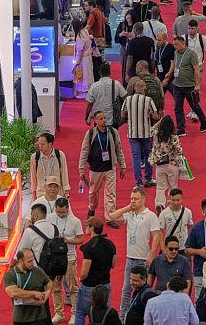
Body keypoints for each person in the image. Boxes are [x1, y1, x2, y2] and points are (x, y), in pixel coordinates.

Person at [108, 187, 162, 315]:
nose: (133, 201)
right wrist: (128, 207)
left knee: (144, 289)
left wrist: (152, 255)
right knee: (126, 288)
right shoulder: (130, 214)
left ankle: (144, 314)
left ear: (143, 199)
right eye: (131, 198)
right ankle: (123, 316)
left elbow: (156, 235)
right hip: (130, 257)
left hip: (143, 259)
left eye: (136, 199)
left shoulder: (150, 216)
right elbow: (112, 216)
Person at [79, 112, 127, 227]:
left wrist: (123, 165)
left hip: (110, 168)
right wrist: (81, 168)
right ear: (95, 121)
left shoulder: (113, 132)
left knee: (111, 193)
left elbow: (118, 149)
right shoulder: (90, 134)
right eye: (101, 119)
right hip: (95, 169)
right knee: (93, 192)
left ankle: (110, 217)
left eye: (104, 118)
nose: (104, 120)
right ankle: (92, 208)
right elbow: (84, 151)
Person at [76, 218, 117, 325]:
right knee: (104, 315)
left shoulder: (89, 247)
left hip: (89, 286)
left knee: (80, 313)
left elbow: (84, 273)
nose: (85, 228)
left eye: (87, 226)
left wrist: (80, 279)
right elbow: (113, 264)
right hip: (105, 285)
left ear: (92, 228)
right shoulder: (110, 244)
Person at [121, 79, 159, 188]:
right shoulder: (148, 100)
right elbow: (155, 116)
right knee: (148, 156)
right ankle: (148, 178)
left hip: (133, 133)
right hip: (146, 133)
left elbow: (122, 115)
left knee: (136, 158)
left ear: (134, 88)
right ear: (145, 88)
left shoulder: (128, 99)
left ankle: (138, 183)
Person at [170, 35, 206, 135]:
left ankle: (203, 120)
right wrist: (168, 74)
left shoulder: (191, 54)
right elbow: (175, 65)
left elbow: (196, 69)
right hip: (177, 85)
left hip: (189, 85)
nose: (175, 46)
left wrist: (197, 84)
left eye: (177, 44)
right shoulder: (175, 53)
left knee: (194, 106)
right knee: (178, 107)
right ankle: (181, 128)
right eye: (174, 45)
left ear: (183, 44)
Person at [4, 248, 53, 325]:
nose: (32, 263)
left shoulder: (37, 271)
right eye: (29, 261)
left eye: (32, 260)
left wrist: (48, 292)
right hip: (21, 318)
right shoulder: (11, 274)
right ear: (20, 261)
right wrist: (34, 293)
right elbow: (13, 292)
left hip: (40, 317)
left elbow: (49, 282)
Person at [86, 63, 127, 127]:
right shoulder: (116, 84)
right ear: (109, 73)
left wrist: (86, 117)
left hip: (98, 118)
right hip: (112, 118)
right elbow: (125, 98)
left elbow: (89, 104)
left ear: (99, 73)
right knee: (113, 133)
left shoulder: (94, 86)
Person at [31, 132, 70, 200]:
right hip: (41, 194)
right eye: (39, 144)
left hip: (57, 194)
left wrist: (66, 193)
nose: (40, 146)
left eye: (42, 144)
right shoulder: (35, 157)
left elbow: (64, 174)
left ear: (50, 144)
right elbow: (33, 176)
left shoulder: (60, 155)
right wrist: (34, 193)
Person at [73, 19, 95, 97]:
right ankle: (89, 91)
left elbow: (80, 50)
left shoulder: (79, 36)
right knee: (89, 75)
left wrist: (77, 61)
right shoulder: (85, 31)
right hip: (88, 57)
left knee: (84, 76)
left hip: (83, 59)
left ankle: (84, 92)